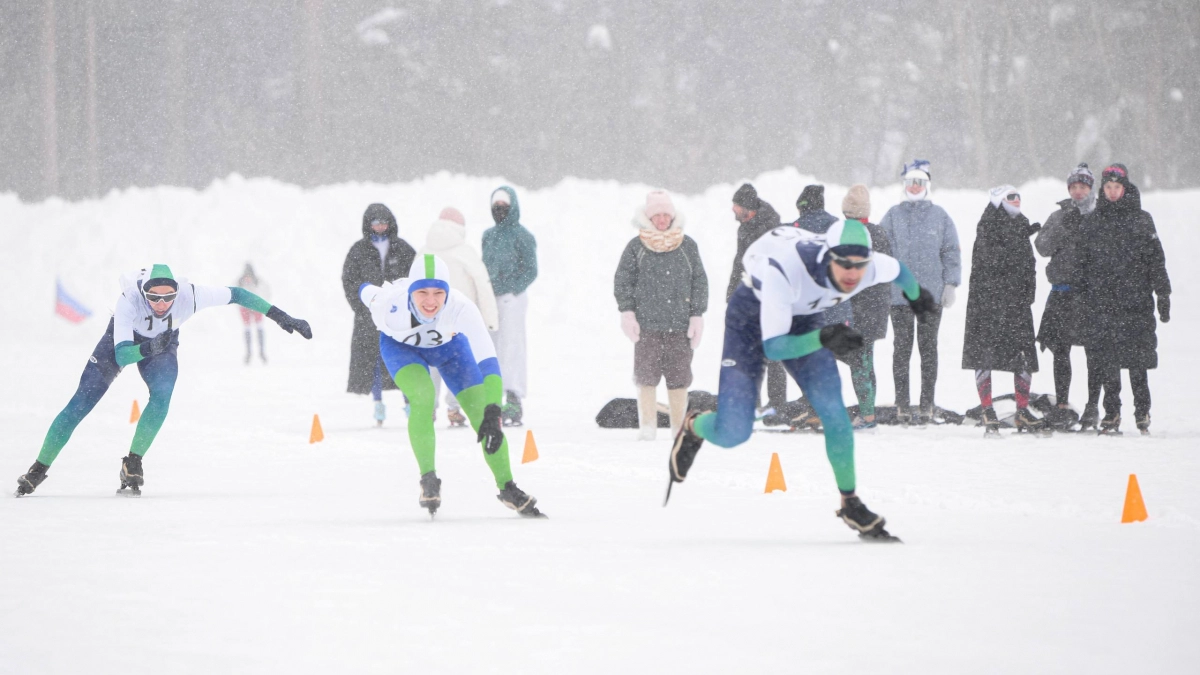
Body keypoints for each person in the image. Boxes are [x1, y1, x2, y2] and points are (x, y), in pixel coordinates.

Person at [665, 220, 937, 542]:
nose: (852, 274)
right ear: (827, 256)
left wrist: (918, 297)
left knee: (834, 413)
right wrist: (824, 336)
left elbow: (901, 272)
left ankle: (850, 501)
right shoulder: (788, 270)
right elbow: (774, 347)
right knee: (733, 432)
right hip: (750, 320)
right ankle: (695, 426)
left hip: (803, 319)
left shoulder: (872, 266)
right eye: (844, 264)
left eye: (860, 266)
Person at [15, 265, 312, 497]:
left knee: (162, 396)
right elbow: (120, 355)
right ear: (143, 295)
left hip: (162, 345)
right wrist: (146, 348)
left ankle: (133, 462)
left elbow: (238, 294)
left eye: (168, 298)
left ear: (177, 293)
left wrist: (281, 316)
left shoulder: (191, 294)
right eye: (153, 298)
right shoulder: (128, 301)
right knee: (81, 403)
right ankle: (39, 467)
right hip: (122, 345)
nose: (161, 304)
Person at [359, 254, 544, 517]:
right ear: (409, 292)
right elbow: (364, 290)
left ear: (448, 292)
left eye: (439, 292)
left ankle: (507, 487)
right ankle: (428, 478)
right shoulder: (389, 305)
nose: (431, 301)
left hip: (449, 349)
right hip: (401, 349)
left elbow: (488, 361)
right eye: (422, 292)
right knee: (423, 396)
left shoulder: (461, 307)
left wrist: (493, 410)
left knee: (483, 416)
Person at [1078, 164, 1171, 435]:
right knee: (1109, 363)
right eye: (1107, 187)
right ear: (1102, 189)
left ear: (1125, 188)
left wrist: (1162, 293)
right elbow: (1083, 264)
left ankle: (1142, 411)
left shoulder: (1142, 220)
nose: (1112, 192)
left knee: (1138, 362)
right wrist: (1083, 295)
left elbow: (1156, 260)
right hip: (1103, 304)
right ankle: (1112, 413)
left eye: (1117, 187)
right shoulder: (1094, 221)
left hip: (1136, 303)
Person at [614, 190, 709, 440]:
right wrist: (627, 313)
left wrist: (697, 315)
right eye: (657, 215)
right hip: (647, 326)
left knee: (679, 378)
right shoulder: (636, 248)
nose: (663, 219)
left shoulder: (688, 246)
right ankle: (648, 426)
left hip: (680, 326)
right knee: (646, 376)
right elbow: (623, 281)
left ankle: (679, 426)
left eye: (667, 214)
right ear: (648, 218)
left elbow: (699, 281)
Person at [879, 159, 962, 425]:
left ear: (927, 185)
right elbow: (880, 251)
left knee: (928, 349)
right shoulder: (892, 215)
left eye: (920, 182)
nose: (915, 187)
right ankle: (902, 404)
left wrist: (950, 283)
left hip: (930, 296)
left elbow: (951, 251)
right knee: (901, 350)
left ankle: (927, 403)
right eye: (910, 183)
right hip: (899, 295)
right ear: (904, 186)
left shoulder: (940, 217)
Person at [962, 187, 1048, 435]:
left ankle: (1022, 411)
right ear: (999, 201)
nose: (1016, 201)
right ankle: (987, 410)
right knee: (983, 355)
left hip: (1016, 304)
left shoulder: (1020, 225)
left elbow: (1027, 265)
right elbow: (990, 264)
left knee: (1023, 356)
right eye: (1010, 198)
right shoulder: (988, 225)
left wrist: (1028, 293)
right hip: (988, 305)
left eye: (1019, 197)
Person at [421, 206, 500, 427]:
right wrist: (490, 319)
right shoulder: (465, 252)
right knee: (458, 364)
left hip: (429, 317)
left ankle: (428, 409)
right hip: (459, 317)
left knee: (431, 365)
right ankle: (454, 409)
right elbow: (482, 285)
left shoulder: (424, 251)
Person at [341, 203, 416, 426]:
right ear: (368, 225)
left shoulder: (403, 248)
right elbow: (349, 281)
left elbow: (415, 277)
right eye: (376, 223)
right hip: (368, 316)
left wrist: (407, 306)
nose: (380, 227)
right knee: (372, 359)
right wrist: (362, 307)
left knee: (403, 359)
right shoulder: (358, 251)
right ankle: (378, 404)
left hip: (398, 316)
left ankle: (410, 404)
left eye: (384, 223)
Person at [1034, 164, 1096, 430]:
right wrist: (1062, 229)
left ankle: (1093, 406)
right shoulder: (1058, 216)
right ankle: (1061, 404)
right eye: (1074, 187)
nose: (1078, 191)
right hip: (1062, 293)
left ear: (1091, 189)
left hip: (1092, 295)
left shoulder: (1101, 215)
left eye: (1083, 186)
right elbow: (1042, 247)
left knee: (1095, 353)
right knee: (1061, 350)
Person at [725, 183, 787, 417]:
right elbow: (738, 262)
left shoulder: (771, 228)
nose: (733, 210)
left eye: (736, 206)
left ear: (747, 208)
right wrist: (732, 293)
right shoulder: (744, 227)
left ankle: (777, 403)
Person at [482, 186, 538, 426]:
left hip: (512, 299)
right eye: (497, 208)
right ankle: (491, 395)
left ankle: (513, 397)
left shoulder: (523, 236)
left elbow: (531, 270)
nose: (500, 212)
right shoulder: (488, 236)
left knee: (512, 345)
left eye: (504, 207)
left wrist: (512, 287)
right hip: (490, 299)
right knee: (490, 344)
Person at [839, 185, 893, 430]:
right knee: (865, 361)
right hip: (877, 307)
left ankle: (868, 416)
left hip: (858, 308)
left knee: (859, 362)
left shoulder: (849, 234)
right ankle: (867, 412)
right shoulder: (879, 233)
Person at [235, 263, 269, 364]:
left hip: (256, 305)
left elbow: (265, 291)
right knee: (249, 328)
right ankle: (250, 353)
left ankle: (260, 352)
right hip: (247, 306)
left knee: (257, 327)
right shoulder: (240, 281)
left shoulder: (257, 281)